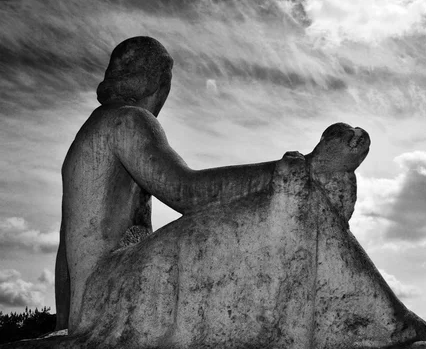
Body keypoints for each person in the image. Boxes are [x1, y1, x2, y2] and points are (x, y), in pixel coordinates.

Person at [55, 36, 277, 331]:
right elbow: (188, 192)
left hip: (89, 307)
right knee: (212, 226)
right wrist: (278, 173)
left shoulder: (88, 133)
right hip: (113, 295)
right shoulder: (129, 120)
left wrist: (66, 325)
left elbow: (65, 255)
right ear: (156, 82)